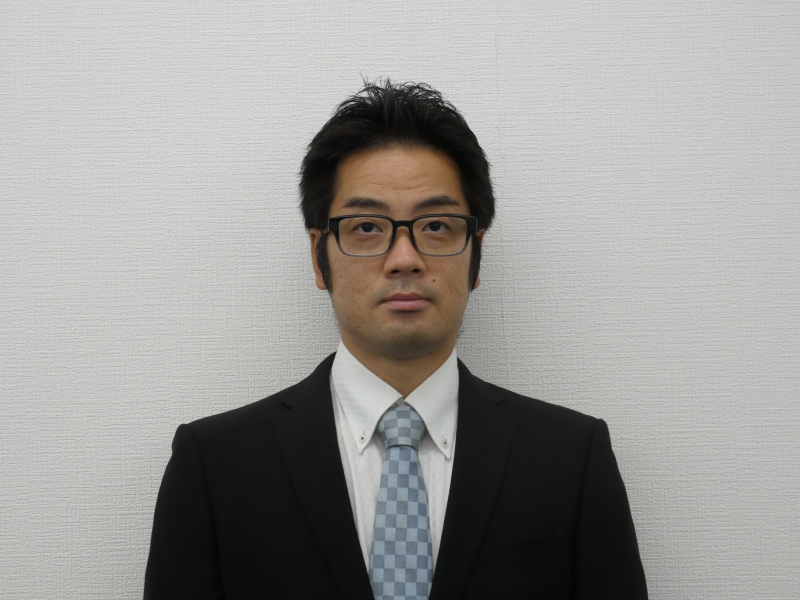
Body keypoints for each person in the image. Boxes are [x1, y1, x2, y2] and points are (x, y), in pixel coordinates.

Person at [143, 80, 648, 600]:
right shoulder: (215, 466)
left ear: (475, 255)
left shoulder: (571, 459)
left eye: (436, 226)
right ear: (319, 257)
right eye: (366, 227)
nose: (405, 259)